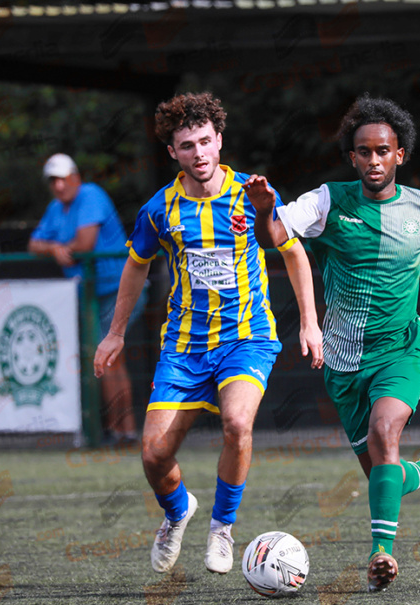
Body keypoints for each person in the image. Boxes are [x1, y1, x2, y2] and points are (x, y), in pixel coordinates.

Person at [248, 94, 420, 592]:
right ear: (352, 157)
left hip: (400, 350)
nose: (374, 160)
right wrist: (265, 210)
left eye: (383, 150)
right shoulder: (328, 201)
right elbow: (273, 237)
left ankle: (382, 554)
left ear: (400, 155)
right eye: (364, 151)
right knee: (382, 474)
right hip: (344, 361)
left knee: (384, 434)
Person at [93, 92, 323, 576]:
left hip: (246, 338)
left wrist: (309, 322)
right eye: (186, 145)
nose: (198, 153)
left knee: (237, 424)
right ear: (172, 153)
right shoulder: (160, 210)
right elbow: (136, 268)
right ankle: (178, 511)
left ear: (220, 141)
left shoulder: (253, 196)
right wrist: (115, 332)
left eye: (205, 141)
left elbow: (294, 254)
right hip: (183, 348)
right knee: (154, 454)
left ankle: (222, 527)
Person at [29, 153, 147, 444]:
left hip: (120, 291)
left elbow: (85, 244)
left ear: (76, 177)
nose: (58, 186)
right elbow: (33, 243)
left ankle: (120, 430)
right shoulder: (56, 208)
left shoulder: (91, 194)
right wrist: (54, 248)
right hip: (93, 295)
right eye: (52, 181)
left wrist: (56, 248)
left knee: (106, 356)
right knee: (109, 359)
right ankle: (123, 431)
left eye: (62, 178)